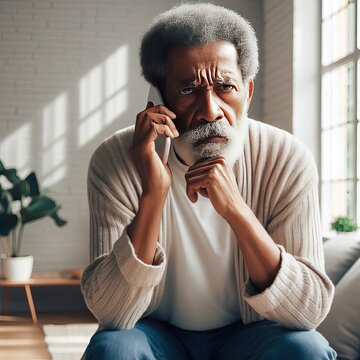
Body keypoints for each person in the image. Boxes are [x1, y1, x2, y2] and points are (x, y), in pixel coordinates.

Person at [81, 3, 336, 359]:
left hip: (249, 334)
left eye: (225, 87)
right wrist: (154, 192)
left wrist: (235, 209)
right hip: (154, 332)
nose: (210, 110)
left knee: (305, 349)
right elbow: (110, 313)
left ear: (247, 92)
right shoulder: (114, 160)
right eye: (188, 90)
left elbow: (308, 311)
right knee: (114, 349)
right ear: (159, 99)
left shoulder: (286, 158)